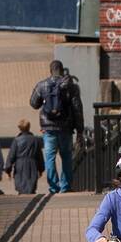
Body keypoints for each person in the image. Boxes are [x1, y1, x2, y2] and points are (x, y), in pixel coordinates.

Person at [29, 60, 83, 193]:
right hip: (66, 127)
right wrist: (80, 130)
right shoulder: (71, 86)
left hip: (48, 129)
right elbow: (77, 109)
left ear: (50, 70)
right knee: (66, 157)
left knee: (50, 158)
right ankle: (65, 187)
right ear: (62, 70)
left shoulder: (42, 85)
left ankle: (53, 186)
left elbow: (33, 103)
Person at [3, 119, 44, 195]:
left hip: (20, 165)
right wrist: (41, 169)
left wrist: (8, 169)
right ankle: (31, 194)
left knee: (21, 183)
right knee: (31, 183)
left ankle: (22, 195)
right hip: (32, 164)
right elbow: (39, 156)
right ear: (29, 127)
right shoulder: (35, 140)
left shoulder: (16, 140)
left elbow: (11, 156)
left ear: (19, 128)